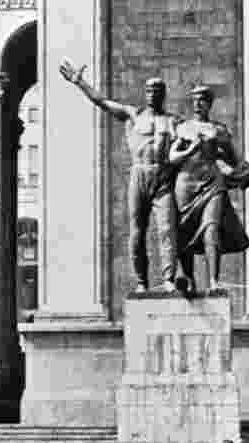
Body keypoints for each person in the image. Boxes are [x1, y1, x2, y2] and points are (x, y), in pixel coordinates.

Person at [60, 61, 182, 294]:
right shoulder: (133, 114)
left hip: (163, 176)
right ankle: (141, 281)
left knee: (167, 229)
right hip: (139, 173)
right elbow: (102, 102)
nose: (152, 94)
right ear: (145, 94)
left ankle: (168, 278)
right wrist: (80, 83)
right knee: (137, 230)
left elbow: (200, 142)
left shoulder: (173, 120)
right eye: (148, 90)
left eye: (156, 91)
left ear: (163, 95)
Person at [169, 84, 249, 293]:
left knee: (212, 228)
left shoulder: (219, 130)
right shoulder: (182, 127)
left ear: (209, 103)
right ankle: (189, 281)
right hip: (185, 185)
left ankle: (214, 282)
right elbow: (172, 158)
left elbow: (236, 159)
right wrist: (190, 149)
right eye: (195, 99)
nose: (198, 103)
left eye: (203, 99)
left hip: (212, 184)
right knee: (183, 233)